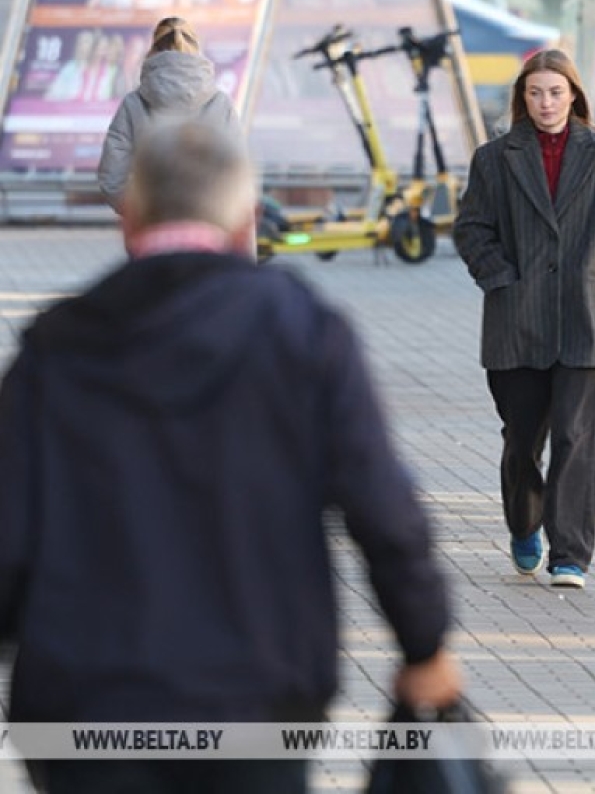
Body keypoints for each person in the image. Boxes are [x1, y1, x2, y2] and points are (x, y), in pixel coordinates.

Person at [0, 120, 460, 794]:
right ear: (247, 223)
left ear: (129, 218)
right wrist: (425, 642)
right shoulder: (304, 333)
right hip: (259, 689)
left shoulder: (56, 347)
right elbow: (381, 505)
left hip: (88, 697)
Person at [455, 49, 595, 591]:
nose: (546, 103)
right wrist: (501, 278)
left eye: (556, 92)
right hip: (518, 320)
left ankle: (571, 554)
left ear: (574, 96)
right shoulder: (495, 158)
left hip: (585, 318)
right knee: (521, 440)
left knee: (578, 440)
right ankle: (523, 521)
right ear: (523, 98)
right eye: (535, 93)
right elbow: (471, 229)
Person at [97, 16, 239, 213]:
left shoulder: (133, 104)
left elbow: (112, 176)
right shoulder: (221, 104)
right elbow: (236, 176)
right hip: (209, 226)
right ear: (196, 48)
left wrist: (139, 213)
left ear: (153, 48)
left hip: (151, 228)